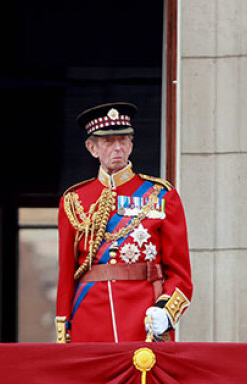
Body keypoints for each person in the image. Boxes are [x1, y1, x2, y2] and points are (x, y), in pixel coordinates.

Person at [55, 102, 192, 343]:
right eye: (108, 141)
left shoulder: (161, 195)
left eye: (123, 140)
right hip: (89, 319)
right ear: (92, 148)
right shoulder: (74, 200)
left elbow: (180, 274)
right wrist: (64, 328)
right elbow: (67, 274)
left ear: (131, 145)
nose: (117, 147)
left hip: (143, 317)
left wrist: (166, 311)